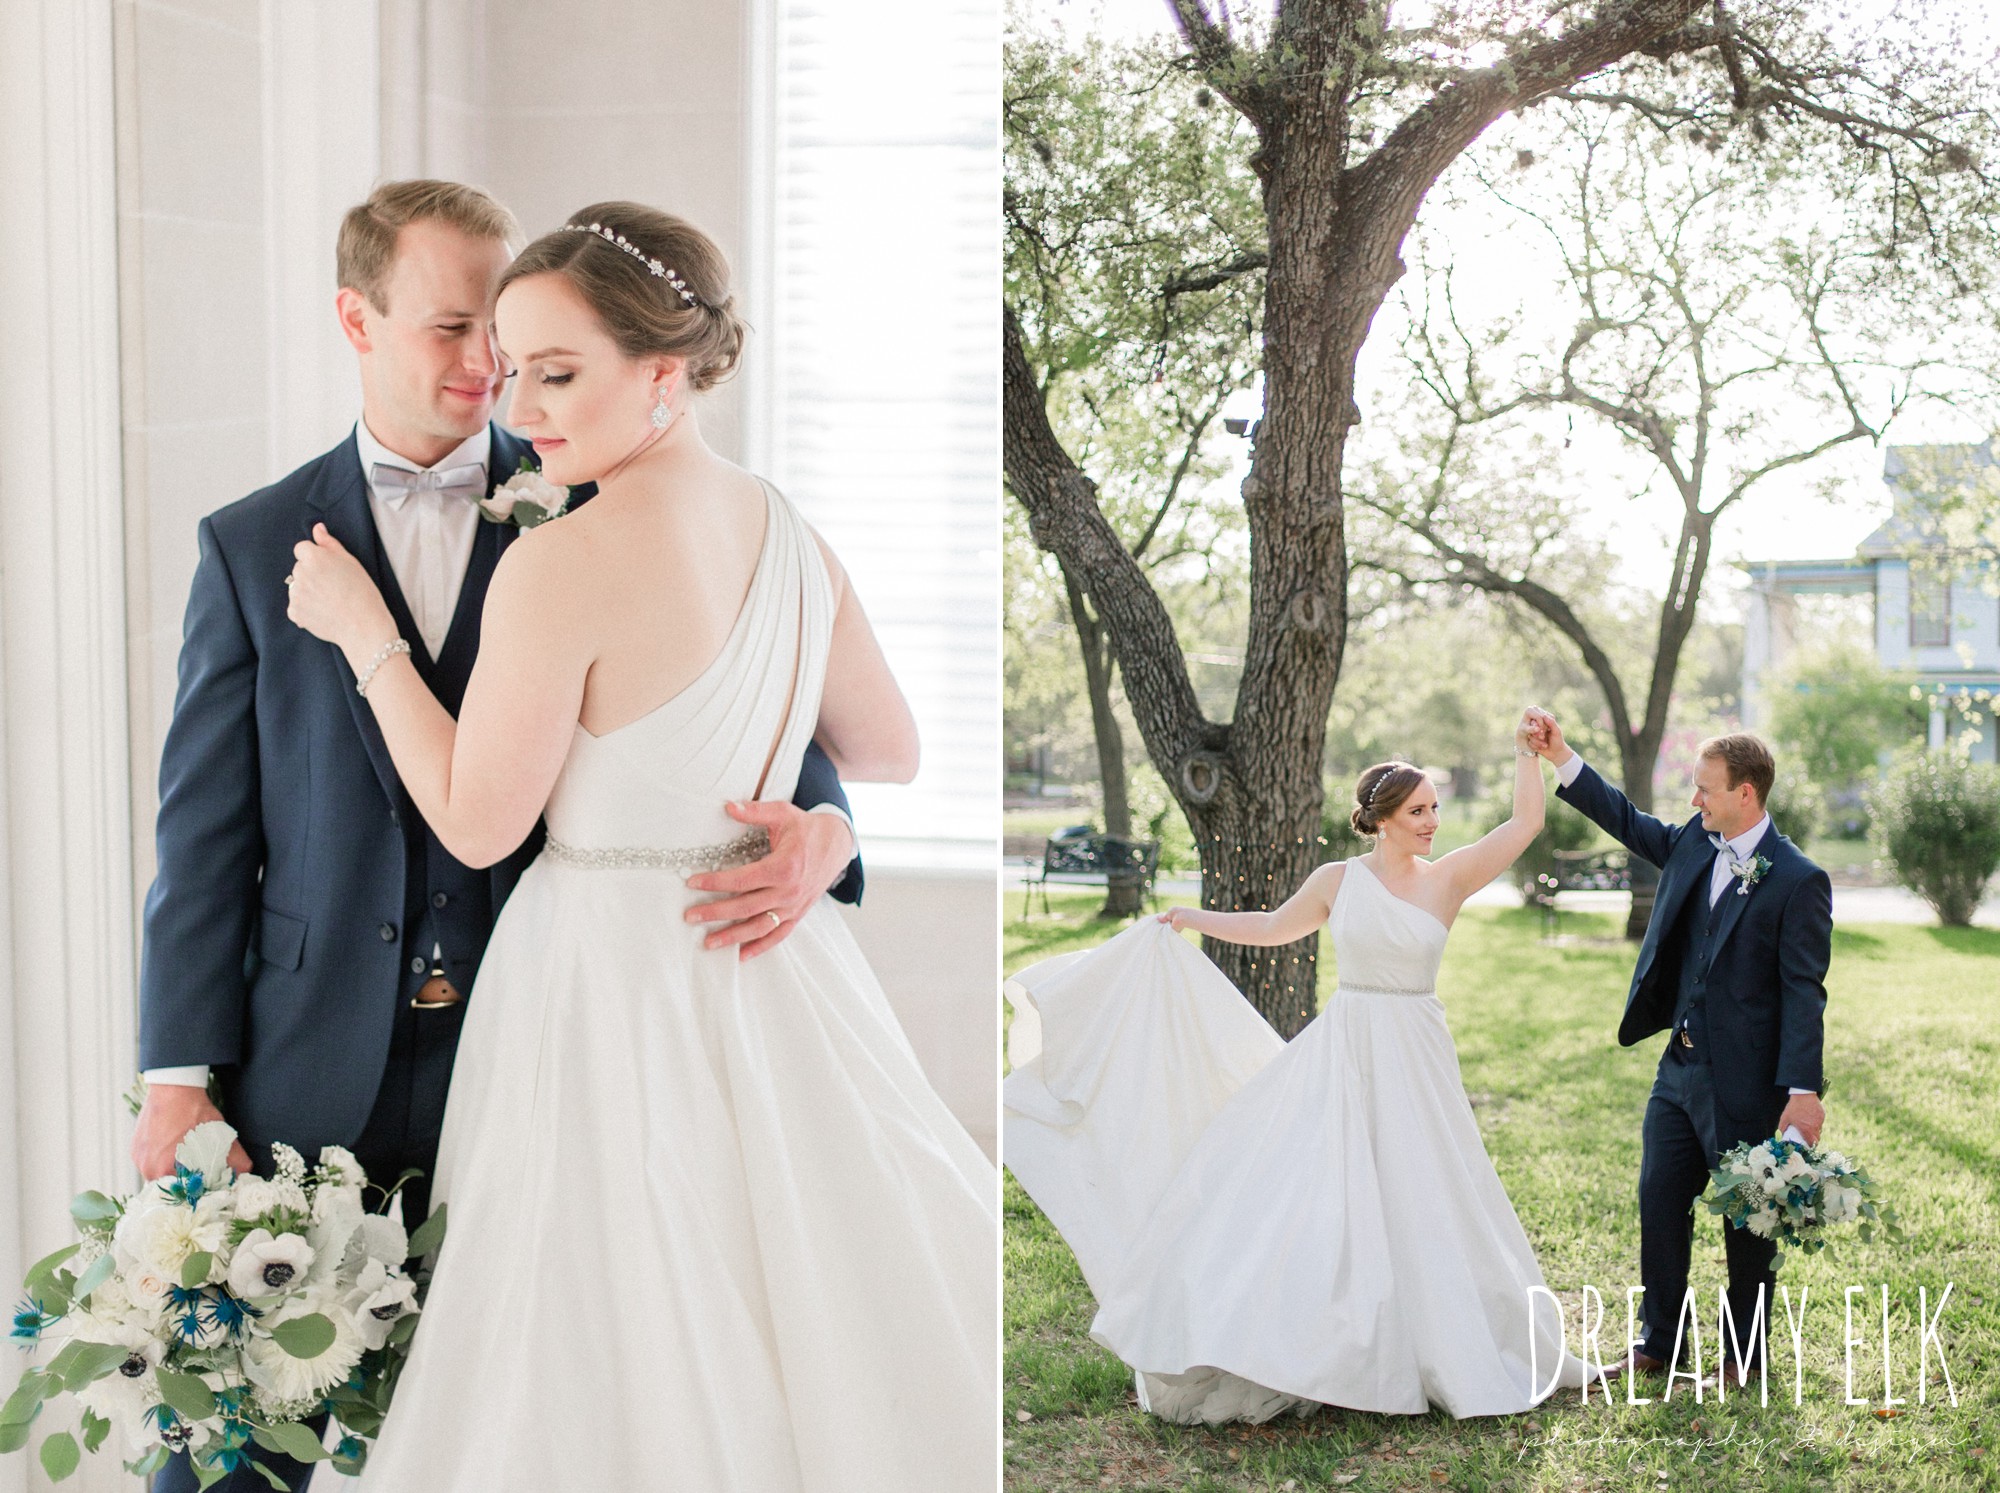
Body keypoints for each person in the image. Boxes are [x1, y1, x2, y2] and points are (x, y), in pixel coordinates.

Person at [135, 180, 868, 1493]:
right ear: (355, 320)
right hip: (305, 1063)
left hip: (545, 1061)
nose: (489, 370)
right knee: (233, 1450)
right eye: (454, 327)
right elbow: (201, 835)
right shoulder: (249, 547)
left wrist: (825, 826)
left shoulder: (597, 498)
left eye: (514, 340)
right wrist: (176, 1071)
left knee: (522, 1417)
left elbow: (767, 716)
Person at [285, 201, 996, 1491]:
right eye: (512, 372)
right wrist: (820, 820)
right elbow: (886, 746)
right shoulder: (788, 528)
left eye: (558, 375)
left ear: (665, 370)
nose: (525, 407)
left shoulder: (562, 562)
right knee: (795, 1288)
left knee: (595, 1322)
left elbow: (477, 817)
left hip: (604, 983)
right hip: (774, 970)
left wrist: (368, 639)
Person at [1003, 711, 1599, 1423]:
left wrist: (1525, 754)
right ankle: (1316, 1339)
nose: (1431, 821)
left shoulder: (1448, 879)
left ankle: (1443, 1338)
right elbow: (1271, 927)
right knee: (1308, 1191)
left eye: (1435, 808)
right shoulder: (1337, 879)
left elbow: (1524, 824)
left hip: (1414, 1051)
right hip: (1344, 1049)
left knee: (1430, 1187)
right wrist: (1195, 918)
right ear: (1380, 818)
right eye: (1418, 810)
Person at [1524, 709, 1829, 1389]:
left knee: (1748, 1220)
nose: (1695, 800)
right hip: (1680, 1066)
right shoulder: (1697, 839)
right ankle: (1659, 1340)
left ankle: (1742, 1357)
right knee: (1659, 1199)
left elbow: (1804, 990)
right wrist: (1562, 757)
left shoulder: (1797, 879)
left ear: (1745, 793)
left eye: (1707, 789)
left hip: (1748, 1081)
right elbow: (1632, 823)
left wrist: (1801, 1090)